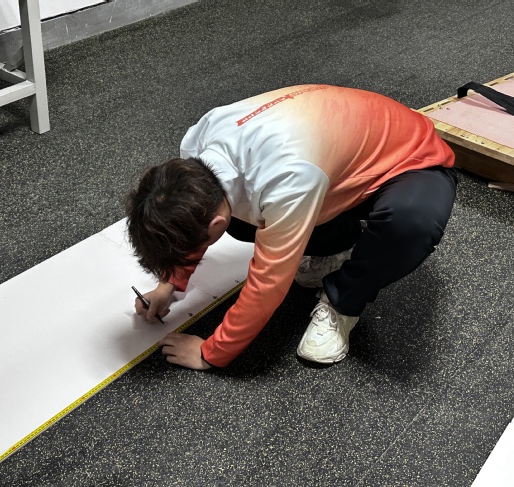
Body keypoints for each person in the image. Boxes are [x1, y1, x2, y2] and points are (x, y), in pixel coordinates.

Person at [126, 84, 457, 370]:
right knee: (244, 223)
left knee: (411, 224)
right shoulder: (196, 146)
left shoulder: (288, 178)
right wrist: (170, 283)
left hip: (411, 160)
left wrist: (210, 353)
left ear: (215, 224)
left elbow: (269, 283)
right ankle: (338, 247)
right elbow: (186, 212)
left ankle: (342, 302)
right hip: (342, 160)